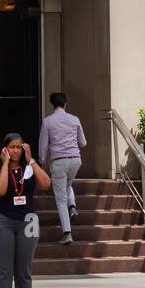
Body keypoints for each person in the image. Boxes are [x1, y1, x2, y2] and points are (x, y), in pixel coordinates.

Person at [0, 133, 52, 288]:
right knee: (4, 271)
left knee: (24, 271)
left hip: (28, 221)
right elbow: (0, 189)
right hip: (3, 221)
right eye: (12, 147)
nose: (16, 150)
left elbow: (46, 184)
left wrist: (31, 160)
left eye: (19, 147)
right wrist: (6, 164)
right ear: (5, 149)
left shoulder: (29, 168)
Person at [37, 92, 87, 245]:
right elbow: (83, 142)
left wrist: (42, 161)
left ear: (52, 104)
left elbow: (43, 146)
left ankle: (67, 233)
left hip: (58, 161)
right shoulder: (75, 119)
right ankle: (72, 206)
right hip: (76, 160)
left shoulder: (48, 122)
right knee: (67, 184)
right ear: (65, 104)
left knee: (60, 198)